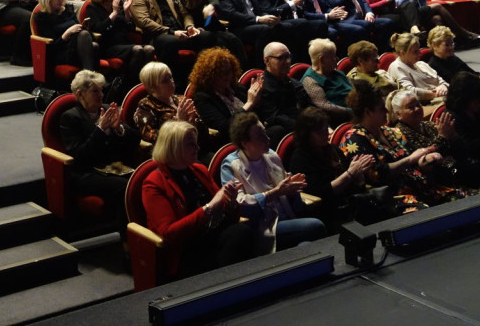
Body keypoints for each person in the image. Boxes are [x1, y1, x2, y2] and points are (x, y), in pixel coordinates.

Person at [142, 120, 255, 278]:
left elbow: (228, 213)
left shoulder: (199, 170)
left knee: (244, 233)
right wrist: (209, 207)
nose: (198, 149)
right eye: (191, 145)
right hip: (187, 248)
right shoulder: (154, 182)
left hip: (212, 235)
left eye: (196, 144)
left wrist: (230, 203)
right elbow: (169, 234)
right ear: (174, 147)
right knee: (239, 237)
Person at [339, 79, 455, 214]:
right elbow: (377, 175)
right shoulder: (353, 139)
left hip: (422, 187)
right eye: (382, 109)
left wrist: (427, 159)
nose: (387, 111)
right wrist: (410, 160)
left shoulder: (391, 132)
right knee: (431, 217)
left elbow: (415, 156)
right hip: (392, 198)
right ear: (368, 112)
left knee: (461, 200)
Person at [220, 112, 327, 253]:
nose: (267, 138)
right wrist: (276, 192)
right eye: (260, 136)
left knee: (306, 246)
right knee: (315, 226)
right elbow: (240, 205)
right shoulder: (231, 165)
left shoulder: (271, 155)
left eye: (265, 133)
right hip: (263, 226)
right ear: (245, 143)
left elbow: (295, 206)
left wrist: (292, 192)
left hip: (287, 218)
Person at [60, 69, 140, 229]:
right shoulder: (70, 117)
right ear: (80, 93)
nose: (101, 95)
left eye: (102, 90)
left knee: (145, 178)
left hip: (114, 167)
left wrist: (119, 129)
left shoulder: (107, 109)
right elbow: (79, 156)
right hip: (87, 173)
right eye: (95, 91)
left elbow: (135, 139)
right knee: (126, 188)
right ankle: (128, 241)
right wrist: (100, 131)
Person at [288, 107, 376, 230]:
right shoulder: (300, 159)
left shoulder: (333, 149)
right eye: (320, 131)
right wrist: (350, 174)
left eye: (326, 129)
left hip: (349, 204)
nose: (326, 133)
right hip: (327, 212)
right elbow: (321, 195)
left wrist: (359, 174)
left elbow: (354, 186)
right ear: (306, 134)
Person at [129, 0, 218, 70]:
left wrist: (189, 27)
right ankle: (168, 78)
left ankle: (203, 73)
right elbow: (144, 22)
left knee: (206, 36)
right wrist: (172, 32)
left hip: (180, 33)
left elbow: (185, 14)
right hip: (158, 36)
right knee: (171, 41)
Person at [189, 47, 260, 151]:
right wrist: (249, 104)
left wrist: (257, 99)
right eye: (221, 72)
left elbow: (258, 114)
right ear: (210, 75)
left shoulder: (237, 88)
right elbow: (225, 127)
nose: (228, 76)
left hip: (253, 132)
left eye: (229, 71)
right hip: (231, 142)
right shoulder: (202, 98)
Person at [85, 0, 154, 83]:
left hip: (125, 43)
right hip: (109, 46)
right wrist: (114, 13)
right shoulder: (92, 8)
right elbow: (98, 29)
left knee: (149, 49)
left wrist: (126, 13)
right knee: (138, 50)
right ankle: (130, 83)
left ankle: (146, 82)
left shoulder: (117, 4)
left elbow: (130, 28)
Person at [132, 60, 207, 148]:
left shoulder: (181, 99)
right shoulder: (146, 106)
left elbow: (205, 133)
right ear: (151, 87)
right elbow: (153, 138)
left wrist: (193, 122)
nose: (171, 82)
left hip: (196, 147)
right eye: (165, 80)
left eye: (170, 77)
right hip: (171, 155)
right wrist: (178, 123)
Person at [33, 0, 98, 71]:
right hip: (60, 52)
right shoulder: (42, 17)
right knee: (90, 43)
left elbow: (79, 30)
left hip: (76, 46)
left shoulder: (67, 10)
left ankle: (89, 77)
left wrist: (83, 28)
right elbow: (51, 47)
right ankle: (90, 77)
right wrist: (67, 33)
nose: (61, 0)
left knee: (93, 43)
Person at [301, 38, 353, 125]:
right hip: (340, 120)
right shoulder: (310, 81)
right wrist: (352, 112)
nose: (337, 59)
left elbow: (355, 90)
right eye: (333, 56)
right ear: (321, 59)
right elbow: (324, 106)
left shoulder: (338, 73)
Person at [387, 32, 447, 104]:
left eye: (419, 50)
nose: (420, 53)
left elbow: (440, 79)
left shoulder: (421, 64)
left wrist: (443, 86)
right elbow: (409, 92)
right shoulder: (396, 67)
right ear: (402, 53)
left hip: (441, 97)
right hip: (423, 105)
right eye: (415, 51)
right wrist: (437, 93)